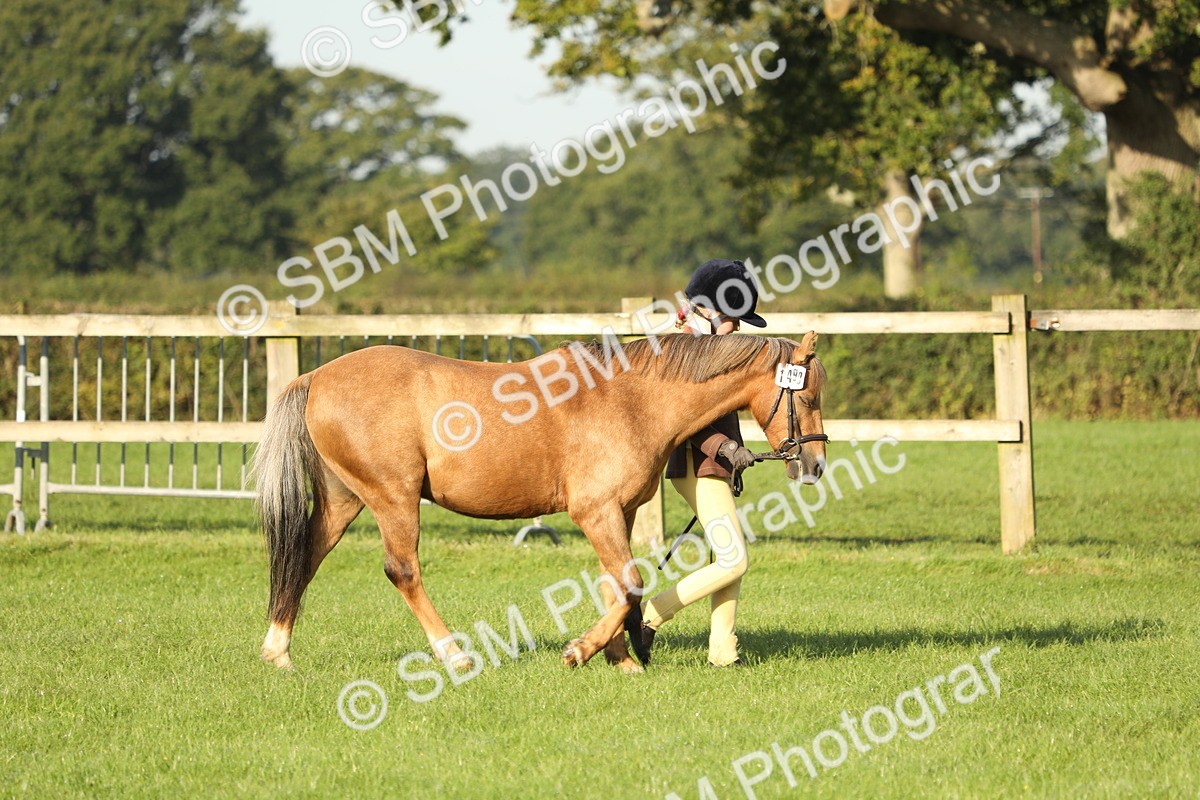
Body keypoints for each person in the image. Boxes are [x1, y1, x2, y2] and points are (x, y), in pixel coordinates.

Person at [640, 258, 764, 667]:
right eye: (733, 319)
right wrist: (726, 449)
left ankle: (723, 649)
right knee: (734, 559)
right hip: (697, 464)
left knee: (730, 557)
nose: (738, 327)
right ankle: (650, 614)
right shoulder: (684, 350)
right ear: (708, 311)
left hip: (711, 465)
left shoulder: (704, 345)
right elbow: (684, 420)